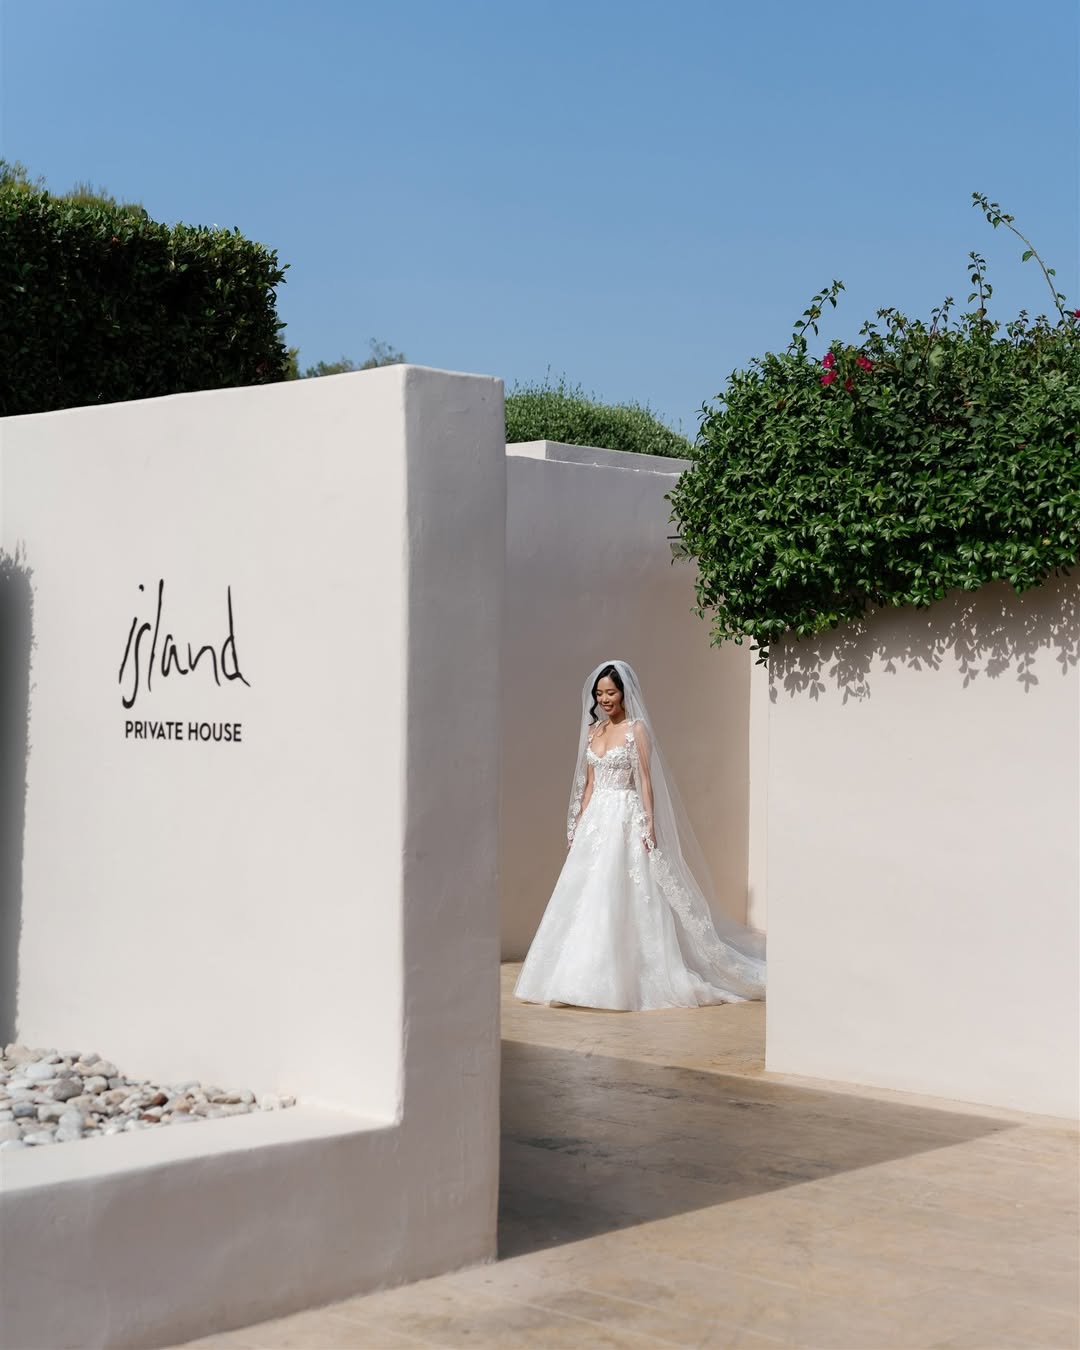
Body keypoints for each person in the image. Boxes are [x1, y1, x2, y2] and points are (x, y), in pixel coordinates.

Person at [514, 660, 766, 1010]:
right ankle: (570, 979)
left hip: (625, 817)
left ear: (624, 693)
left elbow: (646, 780)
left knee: (617, 892)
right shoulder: (594, 731)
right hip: (596, 821)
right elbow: (588, 785)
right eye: (599, 693)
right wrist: (578, 824)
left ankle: (620, 980)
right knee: (585, 895)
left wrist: (649, 823)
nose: (604, 699)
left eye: (610, 692)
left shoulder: (637, 730)